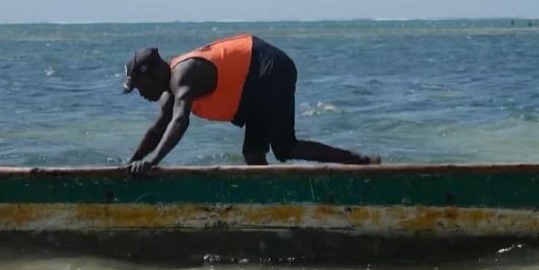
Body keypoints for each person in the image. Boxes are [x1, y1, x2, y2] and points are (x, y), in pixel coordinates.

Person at [121, 34, 378, 172]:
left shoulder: (183, 76)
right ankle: (271, 202)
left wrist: (152, 161)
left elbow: (180, 121)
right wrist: (129, 165)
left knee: (285, 148)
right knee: (253, 154)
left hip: (270, 69)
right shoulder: (170, 90)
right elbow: (157, 130)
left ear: (154, 74)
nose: (140, 93)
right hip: (251, 87)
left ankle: (361, 163)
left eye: (140, 86)